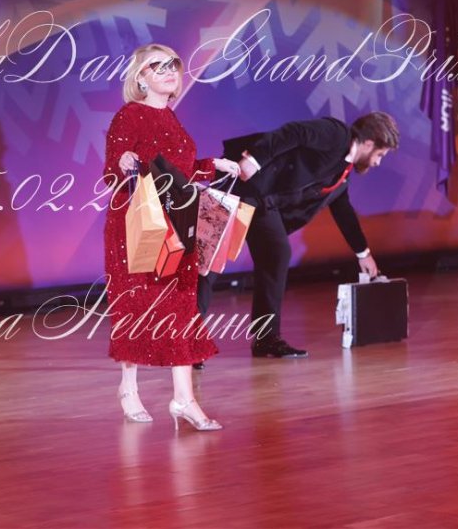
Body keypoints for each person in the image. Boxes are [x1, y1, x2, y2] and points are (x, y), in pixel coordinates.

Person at [103, 43, 240, 431]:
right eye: (157, 66)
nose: (168, 71)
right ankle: (128, 387)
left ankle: (183, 398)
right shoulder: (130, 114)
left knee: (181, 306)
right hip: (139, 225)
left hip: (179, 220)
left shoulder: (171, 117)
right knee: (136, 304)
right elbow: (113, 170)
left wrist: (215, 164)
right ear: (141, 77)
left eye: (173, 64)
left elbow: (179, 171)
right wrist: (123, 161)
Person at [206, 113, 399, 358]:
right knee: (209, 261)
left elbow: (343, 210)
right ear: (369, 144)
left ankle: (266, 339)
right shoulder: (336, 134)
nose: (377, 163)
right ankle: (186, 341)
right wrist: (254, 159)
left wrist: (363, 253)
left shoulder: (341, 171)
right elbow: (293, 132)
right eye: (380, 155)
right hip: (244, 184)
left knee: (276, 253)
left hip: (263, 200)